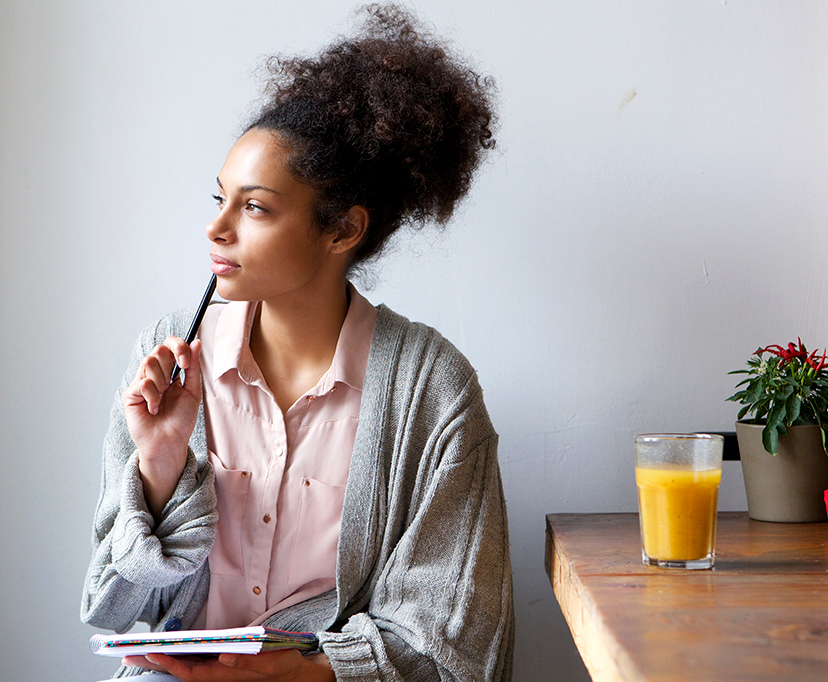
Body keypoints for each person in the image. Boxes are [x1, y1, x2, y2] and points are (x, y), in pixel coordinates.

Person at [80, 5, 513, 681]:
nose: (216, 228)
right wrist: (160, 469)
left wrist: (292, 673)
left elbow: (454, 640)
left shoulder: (433, 390)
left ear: (342, 230)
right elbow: (115, 604)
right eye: (219, 199)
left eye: (254, 207)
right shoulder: (167, 354)